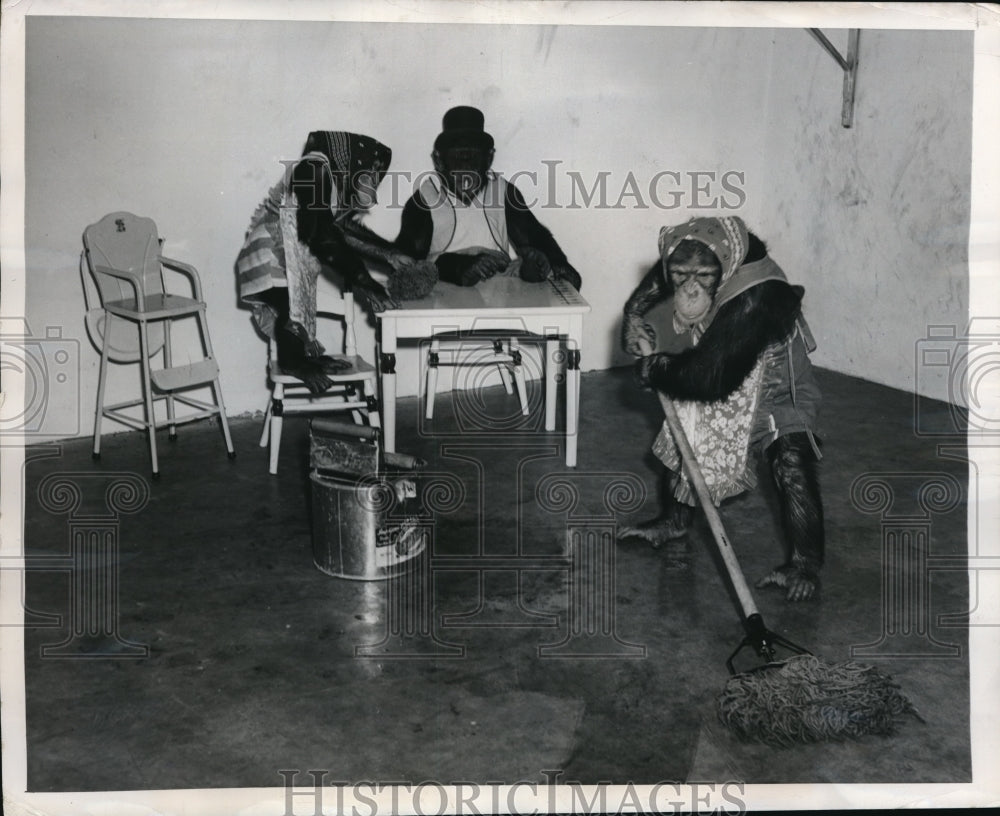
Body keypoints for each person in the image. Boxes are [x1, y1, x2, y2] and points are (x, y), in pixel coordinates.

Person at [620, 216, 824, 602]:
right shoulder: (710, 248)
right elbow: (670, 270)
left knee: (790, 459)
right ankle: (674, 521)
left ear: (726, 268)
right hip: (723, 357)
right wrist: (634, 312)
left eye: (703, 279)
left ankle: (805, 564)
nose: (691, 290)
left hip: (777, 376)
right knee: (688, 430)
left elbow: (709, 381)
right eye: (682, 277)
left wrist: (657, 367)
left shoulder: (755, 296)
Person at [237, 130, 436, 395]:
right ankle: (293, 362)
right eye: (372, 176)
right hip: (269, 254)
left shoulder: (329, 179)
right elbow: (323, 238)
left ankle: (303, 358)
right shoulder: (314, 169)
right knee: (289, 305)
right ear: (356, 163)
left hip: (285, 258)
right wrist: (366, 283)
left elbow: (342, 229)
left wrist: (388, 254)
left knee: (296, 310)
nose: (374, 187)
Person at [395, 106, 581, 290]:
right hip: (445, 286)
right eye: (458, 158)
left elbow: (533, 234)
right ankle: (462, 267)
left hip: (497, 284)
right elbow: (406, 263)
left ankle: (527, 270)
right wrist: (458, 266)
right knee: (431, 266)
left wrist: (558, 262)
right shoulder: (425, 198)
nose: (465, 169)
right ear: (439, 161)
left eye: (472, 158)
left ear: (489, 159)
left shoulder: (502, 192)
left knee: (527, 260)